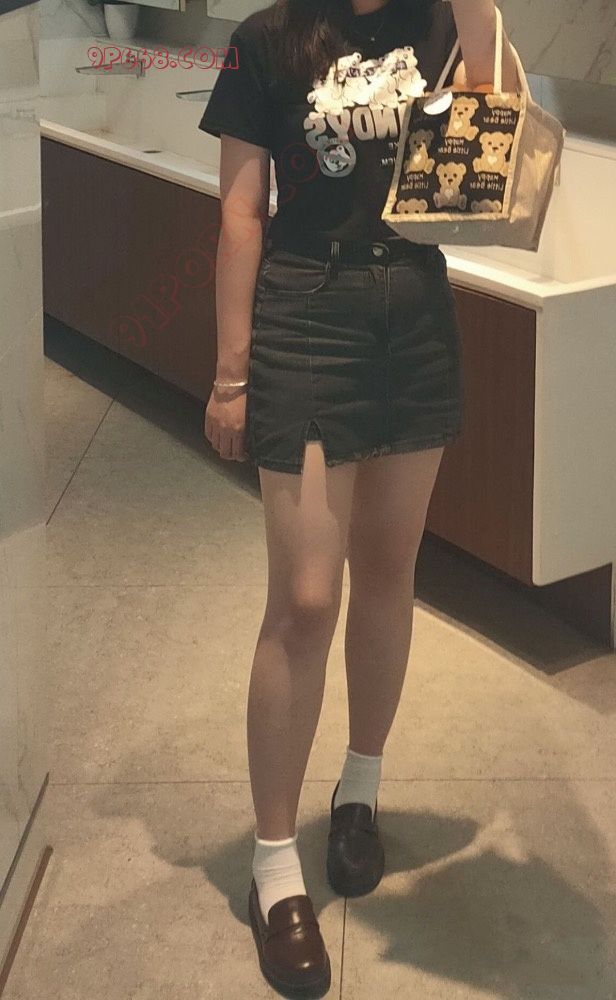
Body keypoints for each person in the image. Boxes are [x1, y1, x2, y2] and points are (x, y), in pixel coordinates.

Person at [198, 0, 519, 994]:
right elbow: (241, 212)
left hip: (414, 311)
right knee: (304, 600)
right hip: (306, 311)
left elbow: (490, 150)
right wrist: (231, 374)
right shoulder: (266, 38)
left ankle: (359, 795)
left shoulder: (449, 21)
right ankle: (272, 865)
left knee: (388, 572)